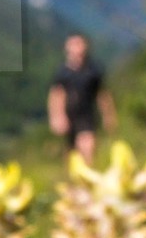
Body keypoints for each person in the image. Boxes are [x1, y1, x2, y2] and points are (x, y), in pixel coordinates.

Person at [48, 31, 117, 165]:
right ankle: (75, 181)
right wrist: (57, 116)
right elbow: (56, 95)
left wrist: (109, 116)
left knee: (88, 146)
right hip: (70, 115)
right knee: (72, 153)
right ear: (66, 48)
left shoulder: (94, 70)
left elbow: (102, 94)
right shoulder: (62, 72)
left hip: (87, 114)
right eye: (73, 44)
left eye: (79, 44)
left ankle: (88, 177)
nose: (76, 48)